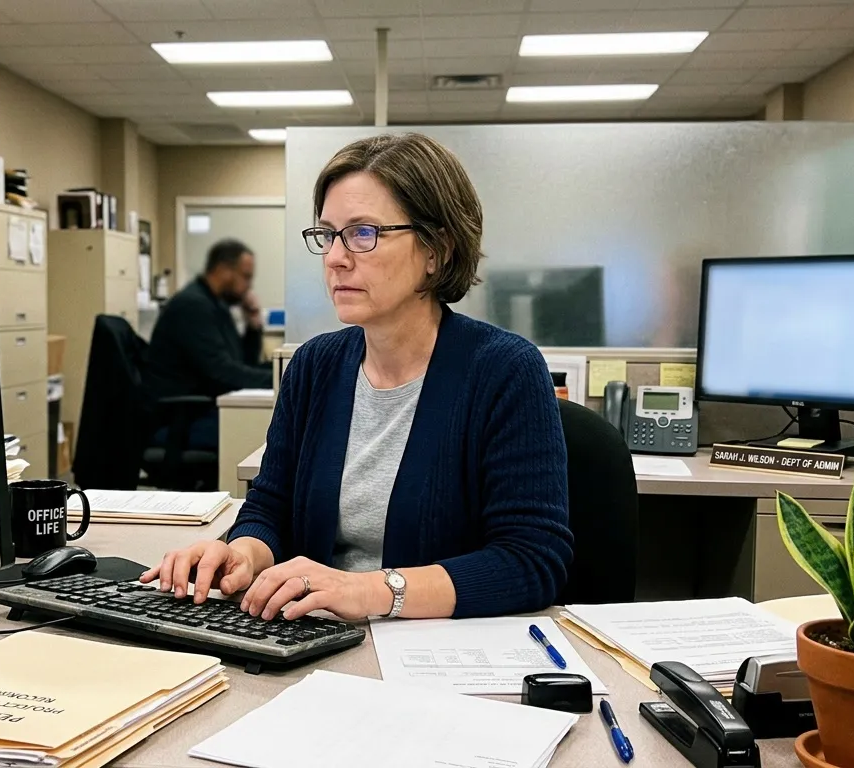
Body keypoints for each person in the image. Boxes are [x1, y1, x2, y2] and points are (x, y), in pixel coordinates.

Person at [140, 133, 573, 621]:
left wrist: (371, 591)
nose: (335, 257)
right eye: (328, 234)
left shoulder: (504, 370)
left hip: (436, 656)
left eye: (363, 233)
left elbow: (532, 561)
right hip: (313, 639)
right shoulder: (313, 366)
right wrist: (242, 554)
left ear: (437, 250)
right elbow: (270, 508)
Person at [144, 238, 273, 450]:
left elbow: (242, 364)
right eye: (246, 277)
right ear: (223, 270)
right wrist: (280, 379)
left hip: (200, 411)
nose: (249, 285)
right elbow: (223, 373)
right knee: (259, 432)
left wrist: (253, 325)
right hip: (179, 420)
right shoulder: (193, 306)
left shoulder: (215, 306)